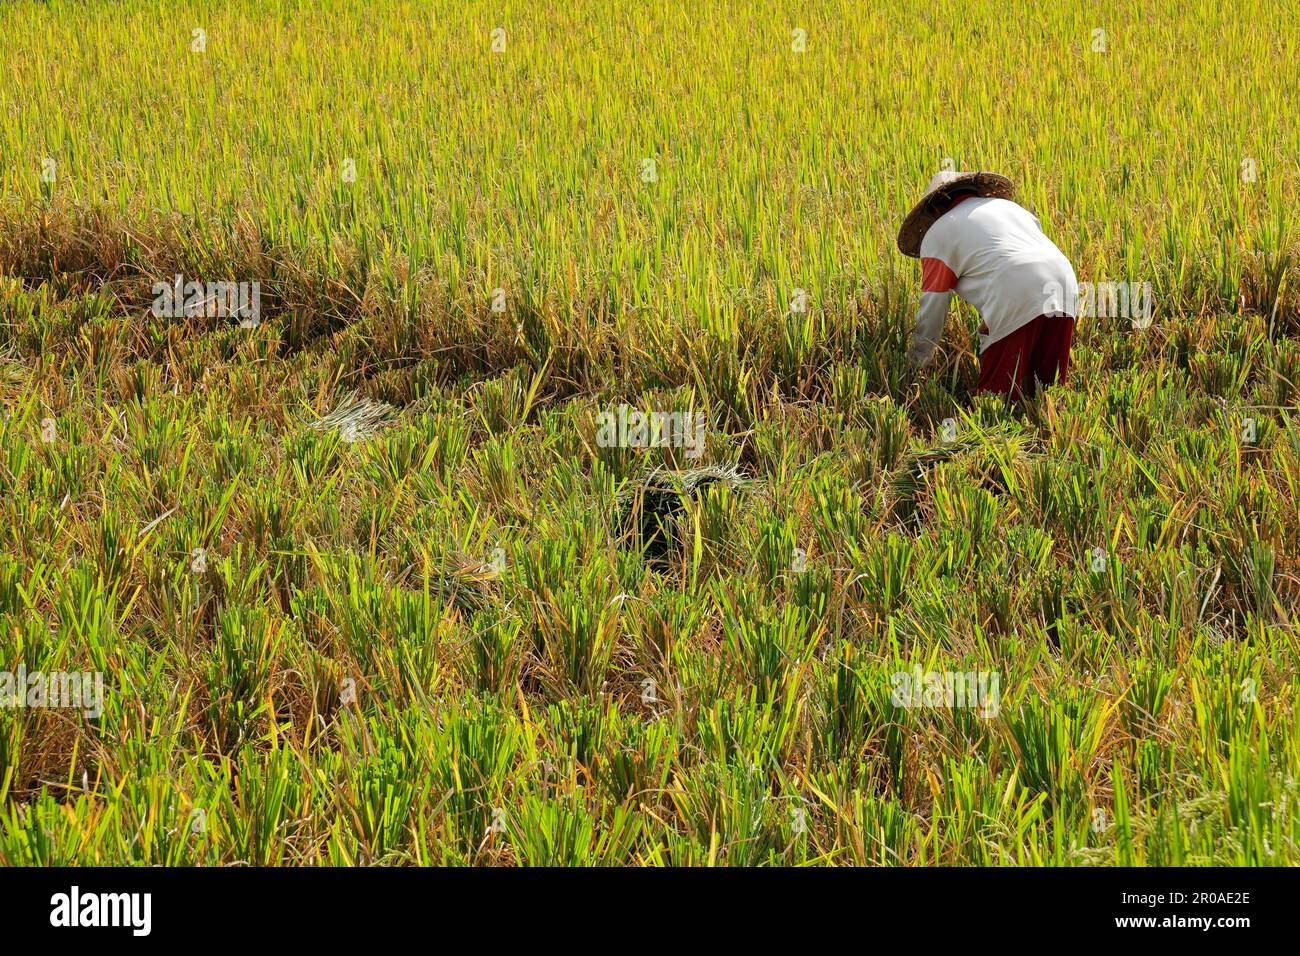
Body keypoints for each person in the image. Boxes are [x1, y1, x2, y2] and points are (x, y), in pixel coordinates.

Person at [897, 170, 1078, 399]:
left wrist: (915, 364)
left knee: (995, 402)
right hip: (1064, 281)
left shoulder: (940, 231)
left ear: (935, 208)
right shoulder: (1013, 210)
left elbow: (933, 306)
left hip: (1014, 287)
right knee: (1048, 394)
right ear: (976, 192)